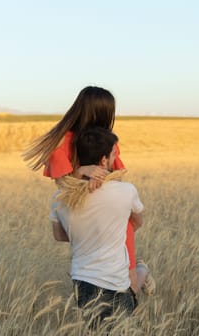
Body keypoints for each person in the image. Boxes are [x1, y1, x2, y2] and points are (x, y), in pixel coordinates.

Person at [23, 86, 154, 295]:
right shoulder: (62, 144)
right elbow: (63, 186)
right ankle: (138, 279)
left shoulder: (109, 142)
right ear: (97, 112)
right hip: (84, 215)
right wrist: (83, 171)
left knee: (129, 284)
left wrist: (102, 176)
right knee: (100, 284)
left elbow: (118, 179)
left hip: (111, 216)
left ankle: (140, 273)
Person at [50, 127, 143, 322]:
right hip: (117, 279)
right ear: (103, 160)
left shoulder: (60, 196)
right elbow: (137, 222)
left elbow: (59, 235)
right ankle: (143, 273)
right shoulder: (126, 190)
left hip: (83, 281)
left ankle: (143, 274)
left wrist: (84, 233)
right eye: (113, 154)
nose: (114, 159)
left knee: (96, 333)